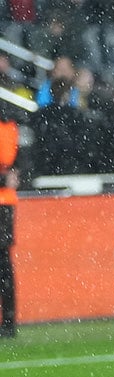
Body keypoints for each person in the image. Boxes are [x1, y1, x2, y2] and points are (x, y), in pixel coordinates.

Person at [0, 112, 17, 338]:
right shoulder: (11, 127)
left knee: (4, 265)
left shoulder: (10, 127)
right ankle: (9, 321)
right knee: (5, 266)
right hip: (5, 202)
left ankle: (9, 321)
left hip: (4, 203)